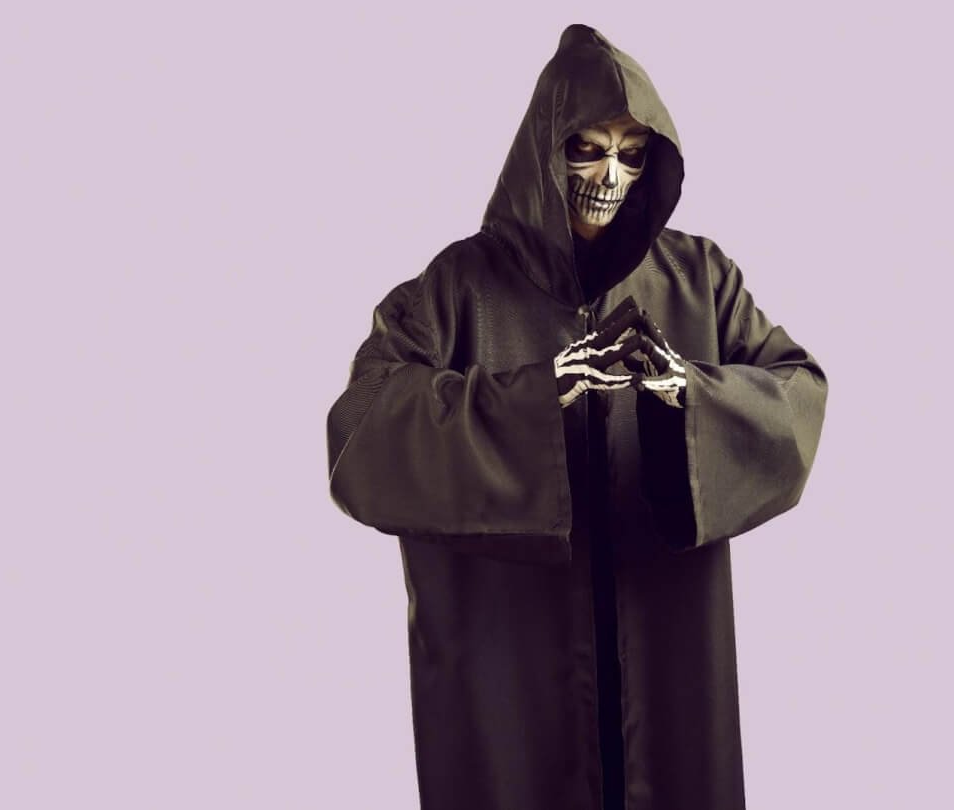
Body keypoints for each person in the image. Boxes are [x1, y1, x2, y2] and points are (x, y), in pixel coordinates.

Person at [326, 23, 828, 810]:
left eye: (632, 154)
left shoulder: (699, 277)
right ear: (542, 150)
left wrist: (689, 394)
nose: (609, 175)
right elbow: (361, 431)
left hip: (665, 637)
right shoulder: (456, 288)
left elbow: (795, 390)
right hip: (509, 654)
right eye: (586, 149)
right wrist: (533, 396)